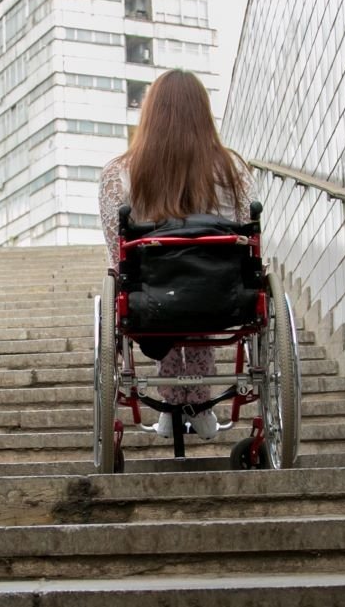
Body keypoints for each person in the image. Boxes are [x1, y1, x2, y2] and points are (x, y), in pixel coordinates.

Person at [97, 68, 251, 442]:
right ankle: (198, 405)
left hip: (154, 299)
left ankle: (173, 404)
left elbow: (119, 252)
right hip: (222, 295)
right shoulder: (233, 169)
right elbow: (247, 234)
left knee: (155, 287)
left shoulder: (120, 172)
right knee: (196, 285)